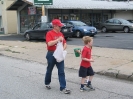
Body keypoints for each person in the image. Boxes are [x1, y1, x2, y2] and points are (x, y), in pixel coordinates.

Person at [44, 19, 71, 94]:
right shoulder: (49, 33)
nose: (60, 27)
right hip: (51, 54)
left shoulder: (61, 34)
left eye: (60, 26)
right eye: (59, 26)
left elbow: (65, 43)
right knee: (49, 69)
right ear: (54, 26)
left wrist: (63, 49)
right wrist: (57, 40)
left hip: (59, 54)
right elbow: (49, 44)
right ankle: (47, 83)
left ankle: (63, 87)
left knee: (61, 71)